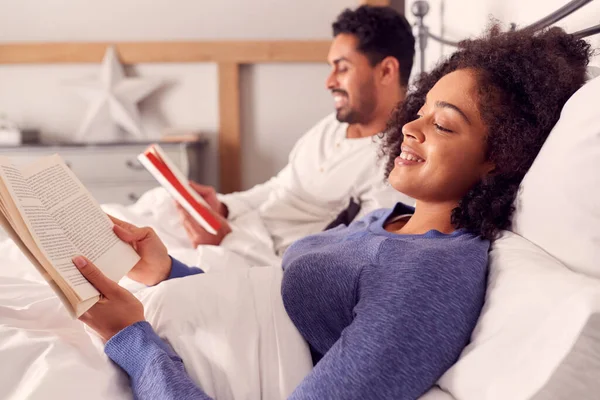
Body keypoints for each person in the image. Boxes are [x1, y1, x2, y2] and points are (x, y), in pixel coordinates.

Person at [74, 26, 591, 399]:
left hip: (155, 364)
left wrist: (132, 339)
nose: (411, 127)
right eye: (423, 109)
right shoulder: (388, 220)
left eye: (445, 125)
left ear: (502, 158)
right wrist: (168, 270)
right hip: (154, 343)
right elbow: (282, 304)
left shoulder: (430, 276)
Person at [172, 5, 416, 260]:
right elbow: (281, 186)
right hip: (243, 230)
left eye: (342, 68)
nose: (329, 82)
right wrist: (223, 207)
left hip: (263, 258)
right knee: (155, 207)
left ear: (387, 71)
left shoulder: (396, 163)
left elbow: (343, 260)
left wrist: (227, 240)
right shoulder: (330, 128)